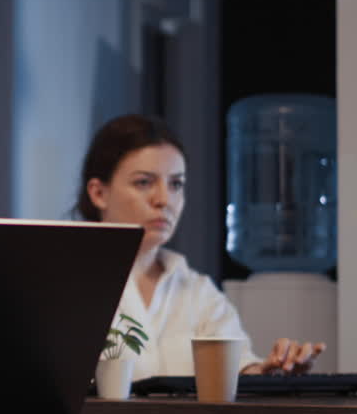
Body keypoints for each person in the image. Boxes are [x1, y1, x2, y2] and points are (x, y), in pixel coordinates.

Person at [76, 113, 326, 379]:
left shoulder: (197, 291)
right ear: (99, 193)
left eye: (176, 184)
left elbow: (238, 367)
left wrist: (272, 371)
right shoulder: (66, 282)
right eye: (144, 182)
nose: (164, 200)